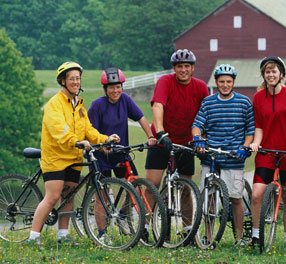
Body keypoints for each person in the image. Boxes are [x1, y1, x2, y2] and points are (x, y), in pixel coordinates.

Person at [28, 62, 120, 244]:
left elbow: (89, 130)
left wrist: (105, 139)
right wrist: (76, 141)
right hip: (55, 157)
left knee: (68, 196)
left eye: (78, 79)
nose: (76, 82)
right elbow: (59, 130)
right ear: (63, 81)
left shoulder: (79, 106)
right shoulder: (54, 104)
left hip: (74, 157)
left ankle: (63, 235)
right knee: (53, 196)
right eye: (72, 79)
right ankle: (33, 237)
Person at [144, 49, 209, 233]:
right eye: (179, 66)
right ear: (174, 68)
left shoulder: (200, 87)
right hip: (163, 139)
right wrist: (161, 132)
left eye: (186, 66)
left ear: (193, 68)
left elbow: (206, 114)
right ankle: (145, 227)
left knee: (186, 188)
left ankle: (188, 229)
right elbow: (158, 105)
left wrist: (202, 138)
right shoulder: (165, 82)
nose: (183, 70)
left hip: (186, 142)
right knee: (152, 183)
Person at [88, 67, 156, 238]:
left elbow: (141, 118)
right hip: (100, 155)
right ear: (105, 89)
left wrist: (150, 136)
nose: (116, 90)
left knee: (134, 186)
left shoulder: (125, 100)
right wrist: (102, 145)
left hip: (120, 152)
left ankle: (123, 216)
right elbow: (89, 131)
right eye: (112, 87)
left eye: (118, 86)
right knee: (102, 194)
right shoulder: (97, 105)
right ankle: (102, 234)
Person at [249, 56, 286, 248]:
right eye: (267, 71)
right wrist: (256, 144)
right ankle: (256, 236)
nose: (271, 74)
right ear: (263, 75)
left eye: (274, 71)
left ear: (281, 74)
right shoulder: (258, 97)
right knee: (256, 195)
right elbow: (259, 126)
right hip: (266, 153)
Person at [192, 64, 255, 247]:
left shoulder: (244, 102)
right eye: (222, 82)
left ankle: (238, 239)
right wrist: (197, 138)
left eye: (228, 81)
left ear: (233, 82)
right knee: (209, 200)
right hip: (210, 156)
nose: (225, 85)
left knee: (235, 198)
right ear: (216, 83)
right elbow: (198, 124)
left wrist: (245, 147)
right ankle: (209, 237)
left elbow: (250, 130)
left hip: (233, 157)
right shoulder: (208, 102)